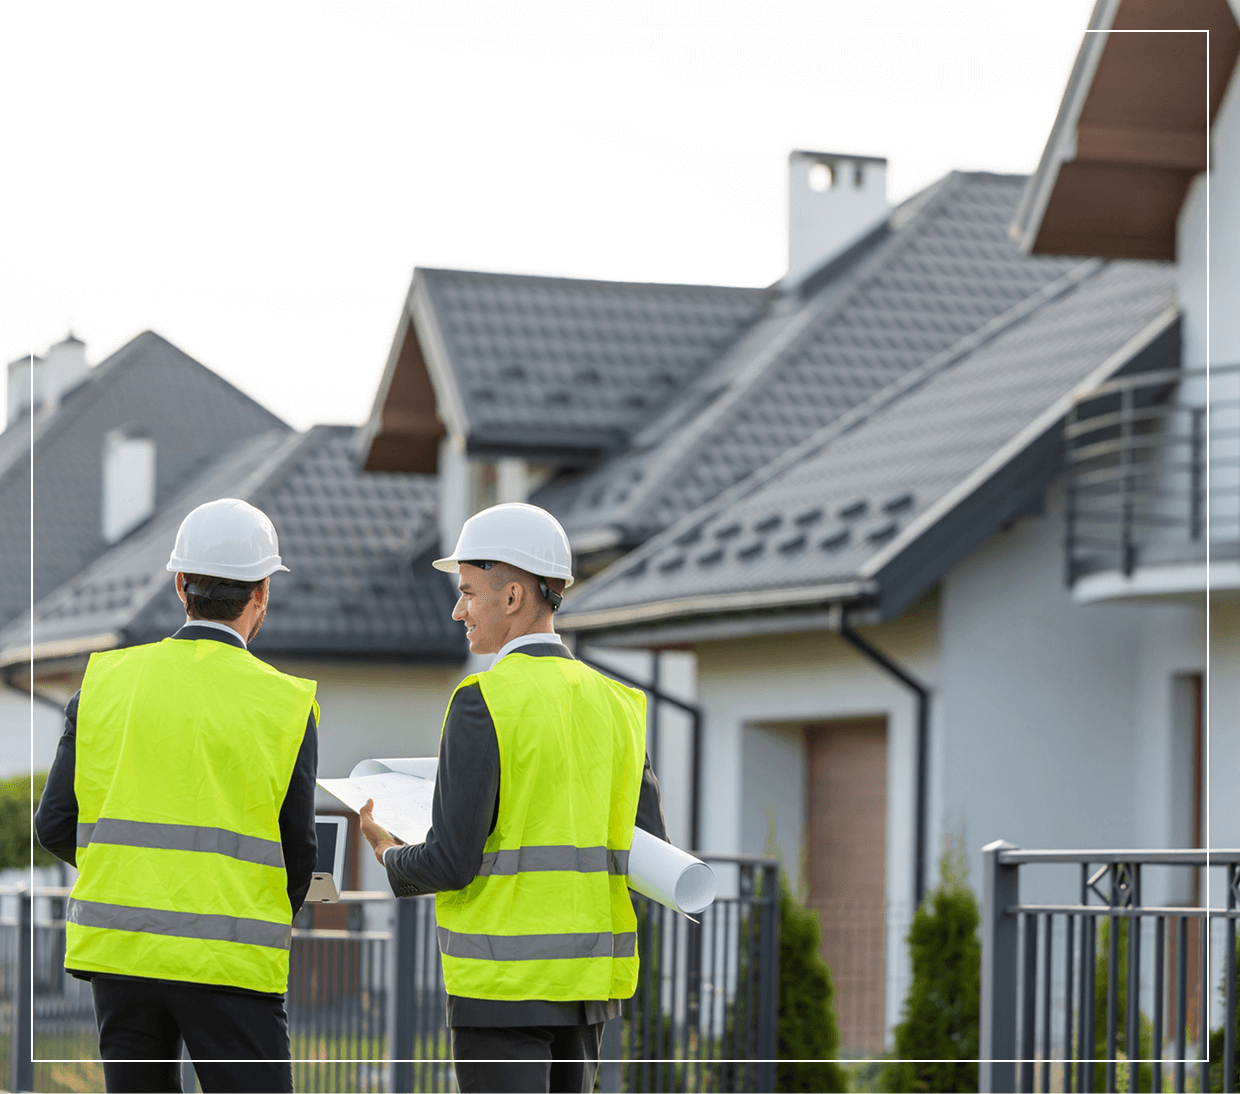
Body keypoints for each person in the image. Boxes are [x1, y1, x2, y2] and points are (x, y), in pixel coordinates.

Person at [360, 501, 668, 1094]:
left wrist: (390, 855)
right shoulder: (620, 707)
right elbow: (650, 856)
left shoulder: (482, 701)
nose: (457, 610)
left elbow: (452, 860)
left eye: (469, 592)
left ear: (512, 598)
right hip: (587, 996)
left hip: (501, 992)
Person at [35, 497, 319, 1094]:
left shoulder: (106, 682)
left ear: (180, 583)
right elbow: (298, 853)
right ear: (262, 592)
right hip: (231, 960)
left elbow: (56, 822)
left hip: (123, 955)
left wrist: (135, 878)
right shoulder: (285, 703)